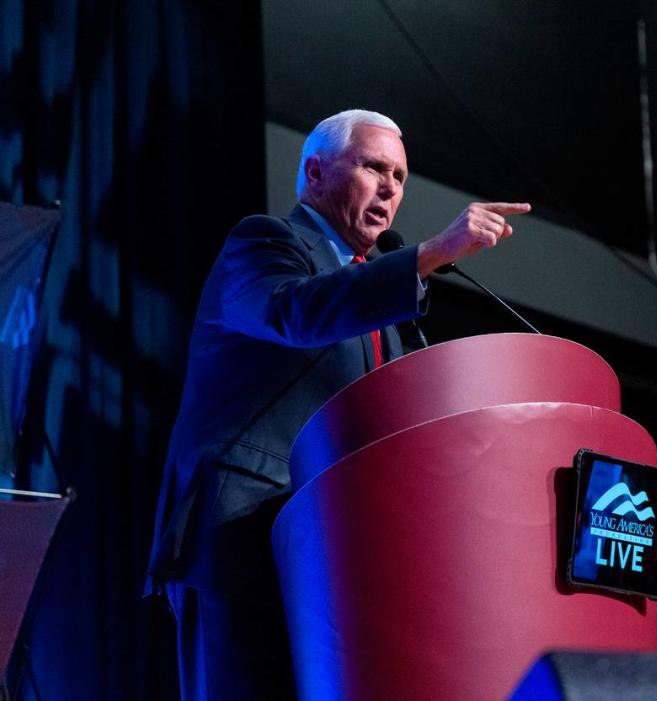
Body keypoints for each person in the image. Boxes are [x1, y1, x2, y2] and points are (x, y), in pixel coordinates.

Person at [145, 109, 530, 700]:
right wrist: (428, 256)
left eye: (399, 177)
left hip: (337, 557)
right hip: (241, 539)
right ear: (316, 172)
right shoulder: (265, 243)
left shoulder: (385, 304)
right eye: (374, 167)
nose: (390, 188)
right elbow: (296, 313)